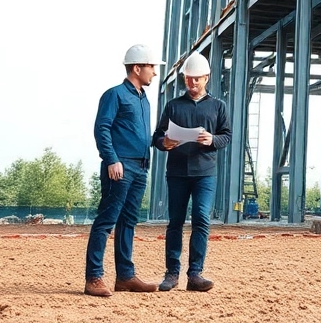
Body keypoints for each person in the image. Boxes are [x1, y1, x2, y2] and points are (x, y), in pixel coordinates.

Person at [84, 44, 162, 297]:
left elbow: (140, 135)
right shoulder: (114, 95)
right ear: (137, 68)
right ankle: (93, 278)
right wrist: (111, 159)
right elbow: (102, 128)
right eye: (151, 67)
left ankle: (126, 277)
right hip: (120, 167)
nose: (154, 72)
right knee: (106, 222)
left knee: (128, 222)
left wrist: (162, 142)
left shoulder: (144, 100)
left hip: (140, 168)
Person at [153, 52, 231, 292]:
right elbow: (157, 136)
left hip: (205, 172)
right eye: (188, 78)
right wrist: (163, 142)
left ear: (207, 78)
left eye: (197, 79)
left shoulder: (218, 106)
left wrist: (212, 139)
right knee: (175, 222)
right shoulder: (173, 106)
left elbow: (226, 136)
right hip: (176, 172)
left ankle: (195, 274)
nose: (192, 83)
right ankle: (172, 274)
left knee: (201, 219)